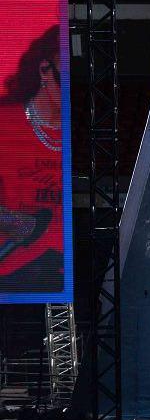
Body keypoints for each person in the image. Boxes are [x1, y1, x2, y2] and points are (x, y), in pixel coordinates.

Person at [0, 25, 65, 296]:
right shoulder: (6, 124)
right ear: (45, 71)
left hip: (60, 271)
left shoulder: (81, 135)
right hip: (11, 271)